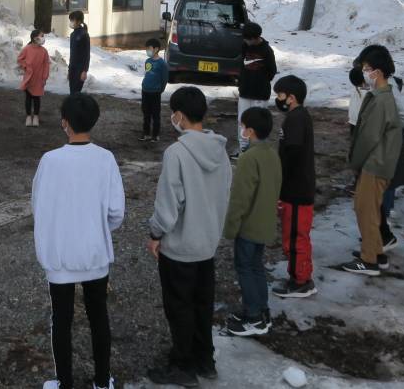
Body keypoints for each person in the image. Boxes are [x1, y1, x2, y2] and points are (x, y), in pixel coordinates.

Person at [32, 93, 125, 389]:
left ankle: (65, 382)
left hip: (60, 255)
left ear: (65, 123)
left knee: (61, 319)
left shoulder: (50, 161)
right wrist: (97, 230)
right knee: (98, 316)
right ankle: (102, 381)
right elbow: (116, 212)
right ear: (94, 121)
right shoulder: (105, 159)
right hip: (95, 253)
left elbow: (38, 206)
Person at [146, 87, 232, 386]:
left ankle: (182, 364)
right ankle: (205, 360)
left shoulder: (177, 153)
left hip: (180, 247)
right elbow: (225, 193)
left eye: (173, 113)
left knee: (179, 307)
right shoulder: (220, 150)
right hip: (207, 244)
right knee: (202, 305)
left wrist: (156, 232)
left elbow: (169, 203)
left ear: (180, 115)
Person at [338, 44, 402, 277]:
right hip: (379, 162)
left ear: (378, 72)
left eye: (366, 69)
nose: (363, 73)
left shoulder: (381, 100)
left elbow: (369, 137)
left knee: (365, 209)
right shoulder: (381, 96)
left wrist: (355, 161)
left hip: (375, 164)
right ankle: (375, 252)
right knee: (371, 209)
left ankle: (369, 260)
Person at [222, 107, 281, 337]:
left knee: (245, 268)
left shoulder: (248, 158)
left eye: (243, 126)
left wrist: (231, 226)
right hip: (265, 222)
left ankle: (254, 317)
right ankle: (260, 309)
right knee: (256, 267)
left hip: (249, 225)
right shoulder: (271, 153)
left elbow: (240, 198)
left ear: (251, 131)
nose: (241, 129)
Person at [272, 75, 317, 298]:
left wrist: (281, 179)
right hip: (294, 188)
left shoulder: (296, 119)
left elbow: (293, 152)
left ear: (291, 97)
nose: (278, 99)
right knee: (292, 235)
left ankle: (301, 281)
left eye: (280, 95)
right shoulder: (296, 116)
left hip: (297, 190)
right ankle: (297, 276)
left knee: (296, 237)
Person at [236, 21, 277, 154]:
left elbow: (272, 71)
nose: (245, 41)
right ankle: (243, 148)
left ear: (255, 38)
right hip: (245, 91)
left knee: (258, 121)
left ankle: (257, 148)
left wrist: (260, 81)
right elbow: (241, 65)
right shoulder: (244, 46)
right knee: (242, 119)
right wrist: (242, 81)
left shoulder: (266, 50)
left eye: (247, 39)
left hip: (260, 93)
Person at [17, 29, 50, 127]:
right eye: (41, 36)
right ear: (35, 38)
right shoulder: (27, 49)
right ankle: (28, 116)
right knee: (28, 97)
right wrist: (26, 66)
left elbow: (46, 65)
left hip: (39, 79)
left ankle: (36, 116)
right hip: (29, 78)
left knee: (36, 98)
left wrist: (44, 77)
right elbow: (20, 59)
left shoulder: (44, 51)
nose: (43, 38)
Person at [141, 37, 169, 142]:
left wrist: (160, 89)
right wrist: (144, 84)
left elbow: (164, 79)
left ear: (156, 49)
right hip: (145, 91)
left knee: (155, 114)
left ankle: (155, 135)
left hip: (155, 92)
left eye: (149, 48)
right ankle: (146, 133)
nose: (147, 51)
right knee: (146, 113)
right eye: (146, 49)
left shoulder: (162, 64)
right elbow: (147, 74)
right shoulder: (147, 61)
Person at [67, 10, 90, 94]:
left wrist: (84, 71)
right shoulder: (72, 35)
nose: (71, 22)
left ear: (79, 21)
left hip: (80, 69)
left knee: (76, 93)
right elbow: (72, 53)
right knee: (72, 92)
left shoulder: (84, 34)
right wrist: (69, 70)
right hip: (72, 68)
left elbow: (87, 54)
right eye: (70, 20)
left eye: (72, 20)